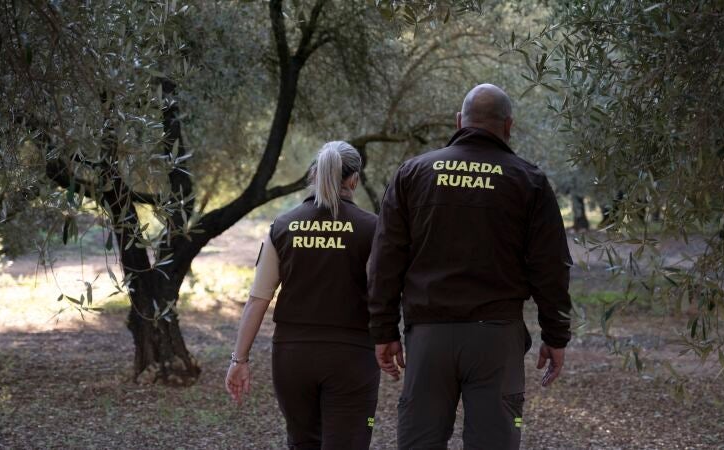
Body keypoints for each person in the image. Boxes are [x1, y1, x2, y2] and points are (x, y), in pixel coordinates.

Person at [368, 83, 573, 449]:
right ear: (508, 125)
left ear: (459, 121)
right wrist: (555, 335)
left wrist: (383, 330)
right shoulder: (528, 180)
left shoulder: (413, 173)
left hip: (428, 338)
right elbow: (550, 266)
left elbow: (386, 258)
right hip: (496, 339)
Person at [225, 141, 380, 450]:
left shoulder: (282, 226)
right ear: (354, 180)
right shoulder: (372, 228)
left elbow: (258, 299)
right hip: (351, 357)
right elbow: (381, 294)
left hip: (292, 358)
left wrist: (239, 359)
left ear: (312, 175)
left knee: (302, 443)